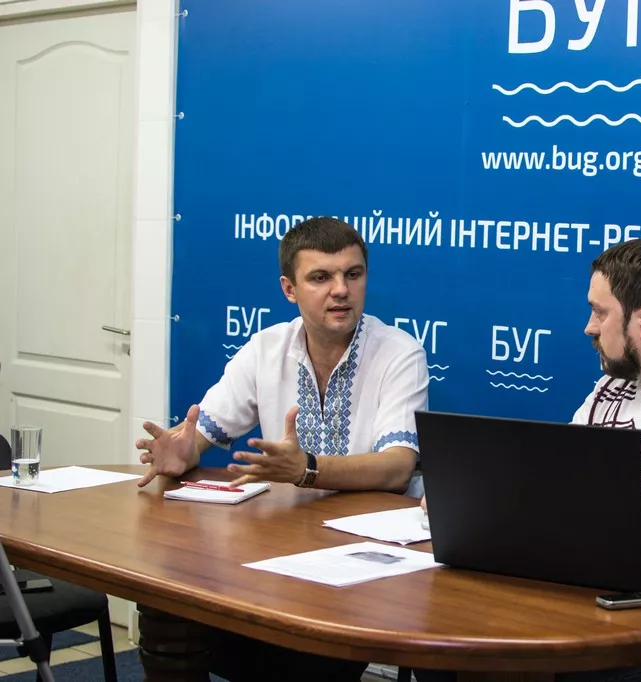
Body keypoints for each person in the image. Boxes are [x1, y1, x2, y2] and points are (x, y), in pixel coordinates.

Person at [419, 237, 641, 682]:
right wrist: (479, 497)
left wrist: (529, 504)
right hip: (608, 599)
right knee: (450, 653)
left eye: (600, 312)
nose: (589, 327)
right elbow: (556, 479)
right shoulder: (612, 388)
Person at [134, 216, 429, 681]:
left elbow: (397, 468)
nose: (341, 290)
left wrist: (306, 469)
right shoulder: (266, 348)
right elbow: (199, 434)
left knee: (301, 658)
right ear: (289, 289)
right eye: (321, 277)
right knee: (176, 611)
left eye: (353, 275)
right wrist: (181, 452)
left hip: (367, 557)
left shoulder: (399, 352)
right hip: (284, 547)